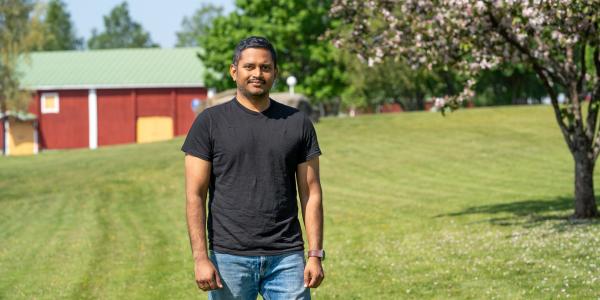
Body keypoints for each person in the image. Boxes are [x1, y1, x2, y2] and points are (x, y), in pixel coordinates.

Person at [182, 36, 325, 300]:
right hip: (228, 258)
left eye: (265, 67)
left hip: (287, 258)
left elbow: (311, 193)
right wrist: (201, 258)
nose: (257, 74)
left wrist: (315, 255)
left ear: (275, 73)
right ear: (234, 71)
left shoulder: (297, 123)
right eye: (249, 67)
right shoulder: (209, 123)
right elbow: (195, 195)